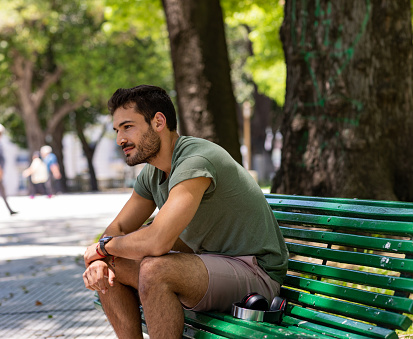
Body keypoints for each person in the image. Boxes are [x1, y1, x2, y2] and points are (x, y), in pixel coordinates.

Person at [82, 85, 289, 338]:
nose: (120, 140)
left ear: (158, 121)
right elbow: (120, 229)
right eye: (117, 130)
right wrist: (102, 258)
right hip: (206, 267)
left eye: (128, 127)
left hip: (254, 272)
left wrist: (102, 248)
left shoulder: (195, 160)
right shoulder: (153, 173)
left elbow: (157, 241)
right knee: (110, 268)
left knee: (154, 270)